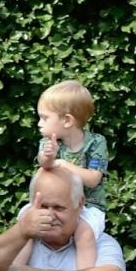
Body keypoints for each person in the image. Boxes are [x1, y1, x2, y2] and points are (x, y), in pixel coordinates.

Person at [34, 80, 109, 235]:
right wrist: (48, 157)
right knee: (27, 224)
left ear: (67, 120)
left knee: (84, 234)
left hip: (89, 208)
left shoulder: (96, 143)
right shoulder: (49, 142)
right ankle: (23, 253)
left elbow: (93, 179)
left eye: (45, 118)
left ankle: (85, 252)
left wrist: (62, 164)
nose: (39, 123)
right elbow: (44, 165)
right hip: (53, 206)